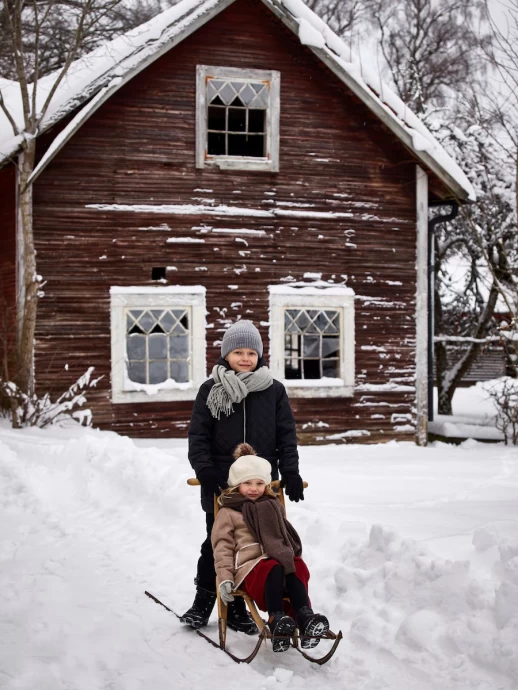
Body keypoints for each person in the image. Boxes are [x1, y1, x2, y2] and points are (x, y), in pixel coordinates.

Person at [181, 319, 304, 634]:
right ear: (226, 355)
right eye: (238, 351)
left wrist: (290, 470)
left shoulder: (273, 390)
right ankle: (204, 602)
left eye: (251, 352)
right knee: (218, 543)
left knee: (260, 545)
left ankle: (240, 608)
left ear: (260, 355)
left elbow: (286, 436)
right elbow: (199, 437)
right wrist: (205, 471)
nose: (245, 358)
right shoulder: (211, 391)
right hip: (222, 485)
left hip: (262, 487)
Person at [212, 444, 329, 652]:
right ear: (236, 485)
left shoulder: (272, 505)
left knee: (296, 564)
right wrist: (225, 577)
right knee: (273, 566)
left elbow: (283, 536)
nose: (253, 488)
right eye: (247, 482)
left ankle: (304, 616)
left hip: (276, 560)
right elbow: (222, 546)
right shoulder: (228, 512)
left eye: (259, 483)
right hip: (250, 568)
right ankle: (276, 618)